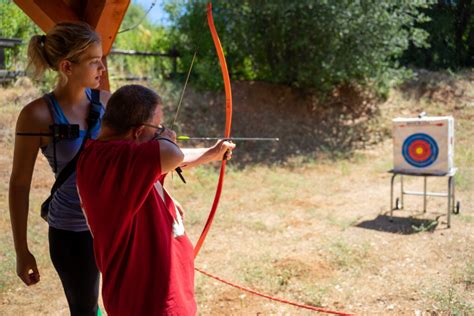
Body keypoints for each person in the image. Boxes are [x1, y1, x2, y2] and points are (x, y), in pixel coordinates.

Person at [76, 84, 235, 315]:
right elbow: (169, 154)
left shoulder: (120, 155)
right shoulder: (111, 160)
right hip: (148, 302)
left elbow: (171, 158)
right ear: (139, 131)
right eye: (157, 127)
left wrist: (212, 152)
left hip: (161, 294)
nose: (162, 131)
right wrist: (168, 138)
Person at [9, 22, 110, 315]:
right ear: (67, 66)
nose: (101, 67)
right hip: (72, 230)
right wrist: (21, 250)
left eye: (101, 59)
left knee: (122, 299)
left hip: (112, 224)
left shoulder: (107, 103)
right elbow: (19, 184)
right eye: (94, 62)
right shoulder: (36, 115)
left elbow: (132, 158)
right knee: (85, 308)